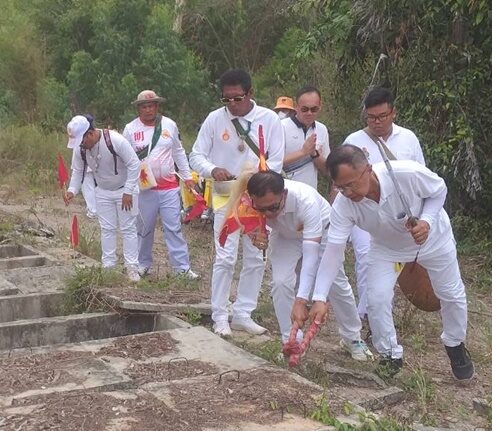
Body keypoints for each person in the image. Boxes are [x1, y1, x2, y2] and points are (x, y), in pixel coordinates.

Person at [304, 145, 473, 380]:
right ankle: (390, 355)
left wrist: (426, 220)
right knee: (376, 298)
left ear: (368, 169)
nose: (348, 192)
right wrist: (320, 297)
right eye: (340, 187)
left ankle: (455, 344)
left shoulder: (405, 173)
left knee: (450, 293)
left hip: (434, 240)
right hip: (386, 248)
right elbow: (333, 251)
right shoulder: (343, 205)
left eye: (351, 184)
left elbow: (438, 190)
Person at [190, 69, 285, 336]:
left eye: (237, 98)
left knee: (256, 257)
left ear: (250, 93)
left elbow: (277, 160)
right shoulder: (214, 119)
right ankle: (220, 315)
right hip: (226, 197)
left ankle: (243, 313)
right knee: (225, 257)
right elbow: (196, 155)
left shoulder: (269, 119)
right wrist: (212, 169)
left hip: (256, 199)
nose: (232, 104)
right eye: (226, 99)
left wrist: (257, 179)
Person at [245, 171, 371, 360]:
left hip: (322, 232)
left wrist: (301, 300)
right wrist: (255, 234)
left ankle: (352, 337)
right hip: (286, 236)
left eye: (273, 207)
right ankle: (291, 341)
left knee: (335, 284)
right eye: (261, 209)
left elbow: (311, 257)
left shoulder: (305, 201)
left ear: (284, 194)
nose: (268, 214)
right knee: (280, 282)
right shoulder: (249, 201)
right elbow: (248, 223)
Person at [343, 87, 426, 321]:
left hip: (399, 215)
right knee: (365, 257)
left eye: (382, 116)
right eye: (371, 117)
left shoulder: (408, 139)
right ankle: (366, 314)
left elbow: (421, 177)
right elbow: (341, 181)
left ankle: (379, 309)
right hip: (364, 211)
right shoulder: (354, 141)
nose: (376, 122)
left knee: (392, 264)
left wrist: (421, 215)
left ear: (393, 113)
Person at [122, 90, 198, 279]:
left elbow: (178, 152)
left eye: (151, 106)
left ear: (157, 106)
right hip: (144, 189)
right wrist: (127, 187)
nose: (148, 109)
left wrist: (187, 176)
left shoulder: (169, 125)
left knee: (173, 228)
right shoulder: (130, 129)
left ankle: (182, 268)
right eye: (144, 106)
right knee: (144, 228)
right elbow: (125, 158)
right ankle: (142, 264)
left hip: (169, 187)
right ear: (138, 109)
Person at [64, 114, 143, 282]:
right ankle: (108, 266)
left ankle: (132, 268)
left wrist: (128, 191)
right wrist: (72, 190)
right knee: (107, 229)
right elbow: (78, 171)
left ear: (90, 134)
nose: (81, 146)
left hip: (126, 190)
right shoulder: (81, 149)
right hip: (102, 191)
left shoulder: (115, 140)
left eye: (82, 141)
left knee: (128, 228)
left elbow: (134, 164)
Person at [282, 85, 330, 189]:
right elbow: (273, 162)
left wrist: (314, 154)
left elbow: (327, 170)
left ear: (320, 107)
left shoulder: (322, 129)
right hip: (284, 191)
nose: (309, 113)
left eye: (314, 109)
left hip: (310, 192)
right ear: (296, 107)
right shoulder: (281, 127)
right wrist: (303, 152)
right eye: (304, 109)